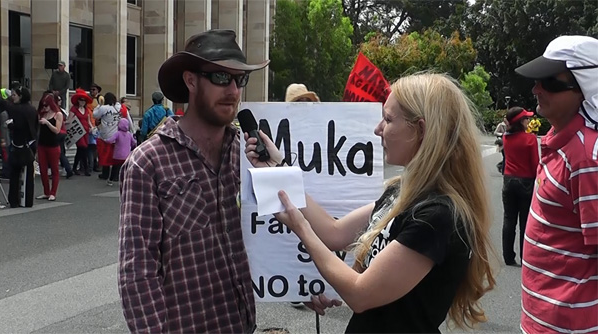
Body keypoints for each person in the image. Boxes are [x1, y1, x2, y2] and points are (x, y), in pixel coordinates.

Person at [245, 73, 496, 333]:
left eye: (388, 119)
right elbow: (334, 232)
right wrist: (278, 167)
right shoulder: (402, 192)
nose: (378, 129)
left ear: (420, 130)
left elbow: (359, 294)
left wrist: (300, 228)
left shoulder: (437, 216)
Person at [118, 29, 269, 333]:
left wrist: (307, 284)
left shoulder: (247, 154)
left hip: (240, 324)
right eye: (220, 78)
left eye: (239, 79)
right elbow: (138, 270)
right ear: (191, 80)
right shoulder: (148, 163)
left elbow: (279, 233)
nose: (233, 90)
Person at [514, 35, 598, 334]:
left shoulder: (587, 157)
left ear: (584, 87)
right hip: (542, 319)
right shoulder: (559, 144)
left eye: (549, 81)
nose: (536, 89)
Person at [285, 83, 320, 309]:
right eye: (299, 101)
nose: (305, 106)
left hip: (313, 192)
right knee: (292, 240)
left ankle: (315, 285)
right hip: (290, 193)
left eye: (308, 101)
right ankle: (294, 287)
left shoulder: (321, 126)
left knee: (313, 239)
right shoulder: (279, 128)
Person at [500, 107, 538, 266]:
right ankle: (525, 257)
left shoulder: (505, 138)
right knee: (524, 221)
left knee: (509, 220)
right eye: (526, 119)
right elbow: (535, 164)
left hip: (509, 181)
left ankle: (508, 257)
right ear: (520, 122)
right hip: (526, 182)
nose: (528, 121)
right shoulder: (530, 139)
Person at [0, 86, 38, 208]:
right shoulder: (32, 109)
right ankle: (27, 201)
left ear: (20, 96)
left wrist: (10, 126)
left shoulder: (17, 109)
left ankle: (14, 200)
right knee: (28, 175)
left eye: (14, 95)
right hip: (30, 144)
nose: (12, 97)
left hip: (19, 144)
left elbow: (17, 125)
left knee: (15, 173)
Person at [36, 94, 63, 201]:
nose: (45, 107)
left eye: (46, 105)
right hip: (42, 144)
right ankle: (46, 192)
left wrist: (47, 123)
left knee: (54, 169)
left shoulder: (58, 114)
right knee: (43, 170)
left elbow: (57, 130)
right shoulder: (43, 113)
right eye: (43, 105)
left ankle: (53, 192)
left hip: (53, 145)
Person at [93, 92, 121, 182]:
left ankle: (105, 174)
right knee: (116, 156)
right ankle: (115, 175)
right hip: (116, 135)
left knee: (105, 155)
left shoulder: (103, 108)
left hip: (105, 135)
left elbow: (95, 115)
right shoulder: (118, 107)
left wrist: (99, 105)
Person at [103, 118, 135, 186]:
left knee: (115, 168)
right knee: (125, 169)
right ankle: (125, 181)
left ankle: (110, 180)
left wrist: (105, 140)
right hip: (126, 155)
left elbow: (110, 140)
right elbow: (134, 142)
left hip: (117, 155)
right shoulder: (129, 134)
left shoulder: (118, 133)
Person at [69, 88, 94, 176]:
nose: (82, 102)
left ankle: (75, 168)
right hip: (78, 132)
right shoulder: (74, 109)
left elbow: (89, 121)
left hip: (86, 131)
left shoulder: (86, 109)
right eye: (80, 100)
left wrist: (92, 127)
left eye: (84, 100)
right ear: (77, 100)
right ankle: (86, 169)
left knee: (80, 150)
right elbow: (69, 120)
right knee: (83, 148)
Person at [54, 94, 73, 179]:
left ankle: (67, 169)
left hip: (57, 132)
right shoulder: (62, 111)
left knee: (58, 152)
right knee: (61, 152)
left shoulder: (55, 111)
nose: (60, 102)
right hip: (63, 132)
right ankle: (67, 168)